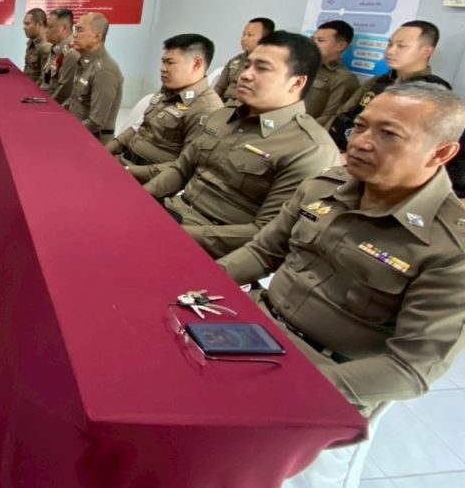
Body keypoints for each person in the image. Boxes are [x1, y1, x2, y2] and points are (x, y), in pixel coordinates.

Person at [219, 83, 465, 414]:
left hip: (326, 376)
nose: (361, 142)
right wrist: (198, 283)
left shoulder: (451, 247)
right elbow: (262, 252)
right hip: (254, 326)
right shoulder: (324, 187)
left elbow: (411, 369)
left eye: (389, 134)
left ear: (441, 153)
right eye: (360, 127)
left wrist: (296, 389)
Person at [138, 31, 340, 258]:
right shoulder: (224, 115)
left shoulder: (310, 149)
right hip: (171, 214)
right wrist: (140, 200)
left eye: (262, 68)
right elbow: (181, 169)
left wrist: (174, 234)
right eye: (247, 66)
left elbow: (265, 233)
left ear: (296, 83)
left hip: (216, 248)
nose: (245, 75)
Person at [106, 33, 223, 175]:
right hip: (124, 161)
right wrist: (107, 150)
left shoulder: (207, 108)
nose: (163, 68)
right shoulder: (168, 91)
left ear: (196, 64)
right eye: (163, 62)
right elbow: (138, 128)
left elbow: (184, 167)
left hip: (148, 177)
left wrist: (129, 171)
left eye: (170, 62)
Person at [330, 20, 449, 150]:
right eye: (390, 44)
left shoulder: (432, 92)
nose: (391, 51)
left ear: (426, 51)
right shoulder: (379, 80)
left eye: (401, 46)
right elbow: (344, 112)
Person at [65, 13, 123, 143]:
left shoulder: (104, 71)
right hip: (77, 130)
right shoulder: (85, 62)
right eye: (75, 30)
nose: (74, 35)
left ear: (96, 37)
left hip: (92, 141)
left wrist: (67, 130)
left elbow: (95, 123)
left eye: (80, 30)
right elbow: (74, 100)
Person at [305, 19, 359, 129]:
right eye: (312, 39)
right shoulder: (302, 66)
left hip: (304, 133)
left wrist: (295, 132)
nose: (313, 44)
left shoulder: (344, 78)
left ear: (340, 46)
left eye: (320, 40)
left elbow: (330, 118)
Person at [214, 17, 275, 102]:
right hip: (225, 105)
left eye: (250, 35)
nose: (244, 39)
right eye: (243, 34)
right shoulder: (235, 60)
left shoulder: (269, 64)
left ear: (265, 38)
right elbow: (219, 88)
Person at [40, 8, 80, 104]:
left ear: (63, 28)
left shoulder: (71, 52)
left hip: (55, 107)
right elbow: (46, 82)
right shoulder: (56, 48)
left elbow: (63, 92)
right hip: (45, 99)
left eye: (49, 26)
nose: (45, 30)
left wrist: (46, 107)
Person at [22, 8, 51, 83]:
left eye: (27, 24)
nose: (24, 28)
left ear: (39, 24)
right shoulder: (32, 40)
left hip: (34, 88)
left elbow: (44, 80)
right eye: (24, 24)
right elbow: (28, 70)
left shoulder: (46, 46)